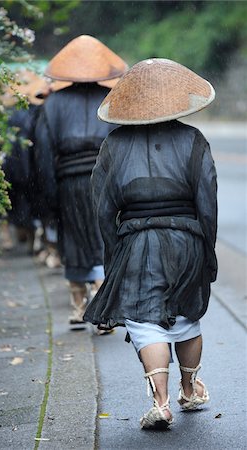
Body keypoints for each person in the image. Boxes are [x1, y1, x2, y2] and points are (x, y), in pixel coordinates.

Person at [84, 58, 217, 429]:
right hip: (187, 237)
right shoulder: (193, 140)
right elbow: (208, 201)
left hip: (137, 241)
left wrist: (114, 254)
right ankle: (189, 389)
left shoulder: (113, 145)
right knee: (187, 315)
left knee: (144, 320)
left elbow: (102, 207)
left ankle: (160, 402)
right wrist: (207, 248)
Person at [34, 35, 128, 329]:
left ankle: (78, 307)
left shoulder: (53, 103)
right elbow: (123, 145)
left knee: (72, 237)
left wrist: (48, 197)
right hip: (107, 179)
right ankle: (104, 303)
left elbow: (42, 153)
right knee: (104, 236)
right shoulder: (112, 99)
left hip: (68, 180)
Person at [1, 71, 50, 253]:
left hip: (15, 166)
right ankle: (32, 236)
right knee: (30, 202)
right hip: (29, 166)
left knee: (19, 202)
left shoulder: (10, 114)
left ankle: (24, 231)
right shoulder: (35, 112)